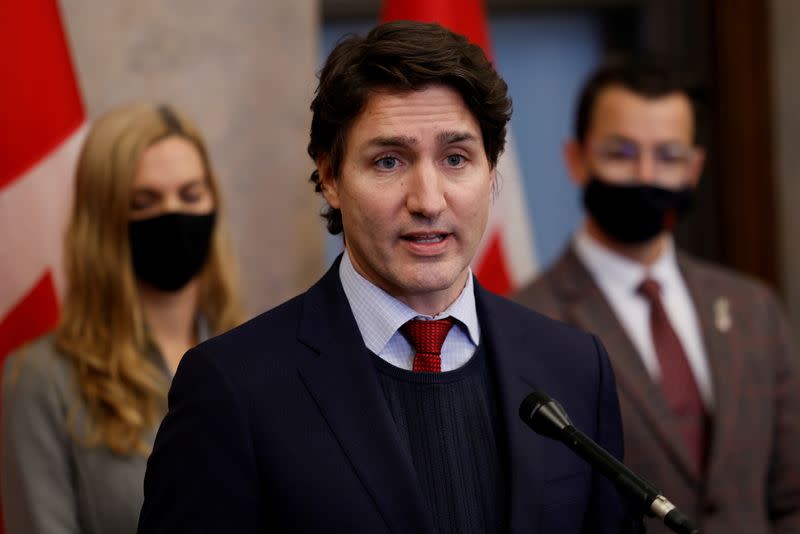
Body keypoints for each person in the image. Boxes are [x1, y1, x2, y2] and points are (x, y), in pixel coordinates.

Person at [136, 21, 635, 534]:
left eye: (456, 159)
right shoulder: (232, 388)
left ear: (491, 172)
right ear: (330, 177)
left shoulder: (575, 367)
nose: (428, 200)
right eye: (389, 161)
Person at [515, 60, 800, 533]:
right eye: (621, 153)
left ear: (694, 168)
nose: (646, 174)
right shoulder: (525, 322)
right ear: (576, 159)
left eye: (668, 156)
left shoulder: (754, 309)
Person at [1, 102, 243, 534]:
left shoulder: (255, 354)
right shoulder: (43, 378)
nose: (173, 215)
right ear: (104, 221)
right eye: (144, 202)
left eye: (190, 195)